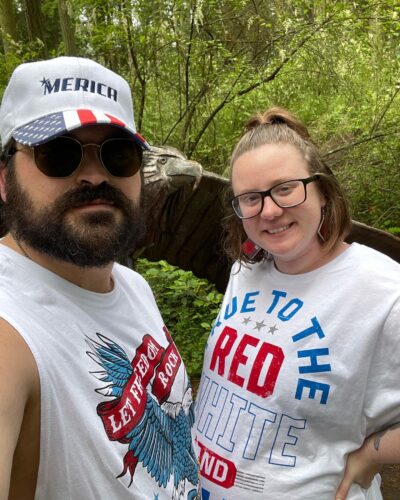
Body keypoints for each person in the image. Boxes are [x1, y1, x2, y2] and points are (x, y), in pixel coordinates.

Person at [0, 56, 199, 499]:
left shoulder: (132, 287)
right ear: (4, 180)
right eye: (58, 153)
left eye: (119, 154)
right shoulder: (9, 326)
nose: (94, 174)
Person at [194, 107, 400, 499]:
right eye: (250, 198)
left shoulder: (383, 291)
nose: (269, 211)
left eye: (285, 188)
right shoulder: (246, 271)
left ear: (322, 190)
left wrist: (374, 454)